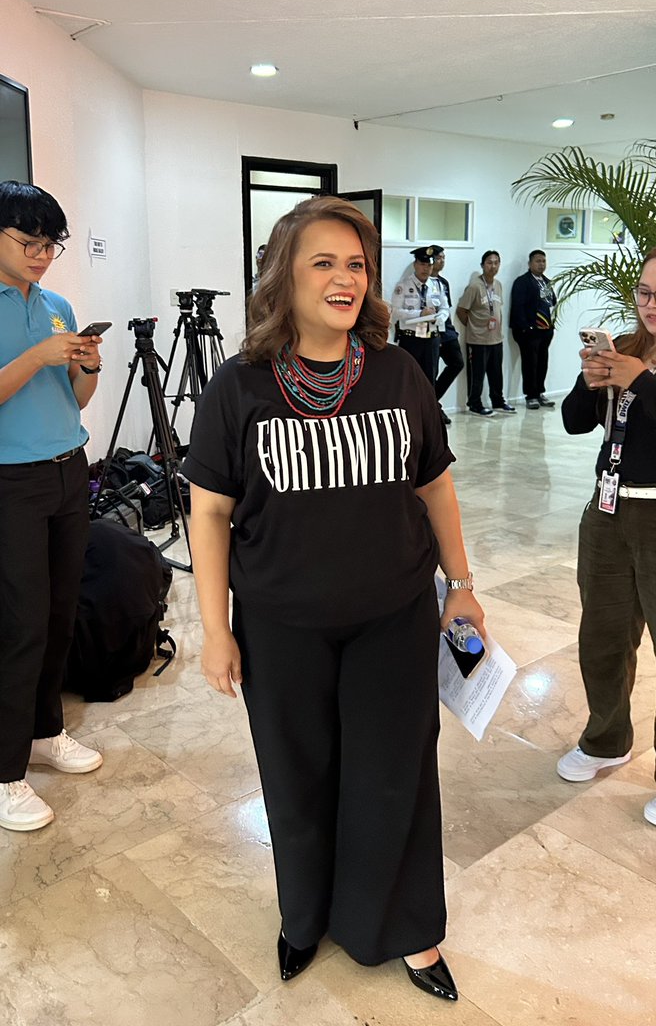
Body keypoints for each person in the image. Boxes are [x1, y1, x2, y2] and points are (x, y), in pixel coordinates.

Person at [183, 196, 485, 999]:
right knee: (297, 776)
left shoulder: (397, 373)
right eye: (323, 262)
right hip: (282, 625)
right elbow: (208, 511)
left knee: (396, 775)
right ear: (285, 276)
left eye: (355, 264)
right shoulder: (238, 386)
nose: (344, 277)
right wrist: (215, 629)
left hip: (392, 616)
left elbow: (434, 484)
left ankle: (408, 930)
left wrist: (460, 588)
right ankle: (303, 917)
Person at [557, 240, 656, 829]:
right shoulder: (629, 348)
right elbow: (577, 423)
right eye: (644, 292)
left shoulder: (651, 364)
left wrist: (641, 381)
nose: (651, 305)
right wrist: (591, 379)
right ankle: (607, 738)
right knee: (602, 634)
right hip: (607, 510)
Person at [0, 181, 104, 833]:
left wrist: (85, 364)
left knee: (62, 613)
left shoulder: (59, 304)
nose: (43, 254)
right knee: (20, 624)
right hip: (11, 480)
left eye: (51, 243)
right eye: (29, 241)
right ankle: (6, 774)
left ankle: (45, 732)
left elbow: (80, 400)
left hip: (71, 470)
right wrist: (37, 355)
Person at [457, 250, 516, 416]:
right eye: (489, 262)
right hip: (478, 340)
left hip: (496, 338)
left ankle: (498, 401)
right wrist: (473, 327)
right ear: (482, 265)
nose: (493, 266)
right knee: (477, 375)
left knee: (497, 373)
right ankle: (475, 404)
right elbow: (461, 310)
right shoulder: (475, 286)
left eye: (496, 262)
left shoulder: (498, 285)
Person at [390, 246, 449, 391]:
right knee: (409, 380)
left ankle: (428, 412)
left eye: (429, 265)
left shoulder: (437, 286)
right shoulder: (403, 286)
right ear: (415, 264)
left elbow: (445, 309)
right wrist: (420, 314)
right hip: (411, 340)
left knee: (430, 381)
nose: (426, 269)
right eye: (422, 264)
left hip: (431, 339)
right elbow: (396, 312)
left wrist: (438, 318)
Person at [510, 250, 557, 409]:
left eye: (543, 261)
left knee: (542, 362)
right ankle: (530, 395)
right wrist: (526, 327)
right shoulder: (522, 282)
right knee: (530, 363)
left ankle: (540, 392)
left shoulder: (546, 282)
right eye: (538, 261)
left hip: (545, 330)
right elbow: (518, 306)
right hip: (529, 331)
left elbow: (553, 302)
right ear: (530, 264)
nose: (541, 264)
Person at [431, 247, 464, 425]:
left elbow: (446, 310)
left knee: (457, 363)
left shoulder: (443, 282)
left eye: (444, 258)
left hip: (448, 331)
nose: (441, 261)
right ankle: (433, 407)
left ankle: (432, 401)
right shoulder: (421, 282)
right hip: (431, 332)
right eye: (438, 258)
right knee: (431, 371)